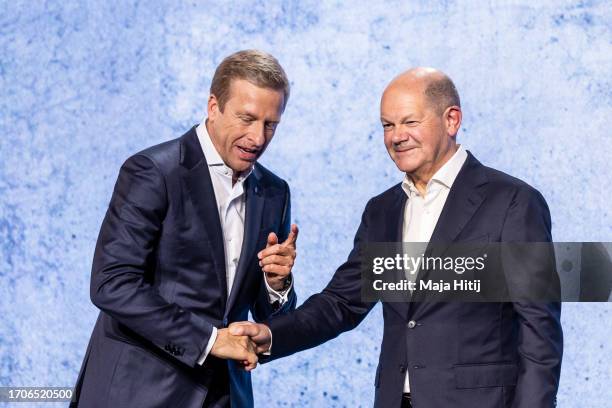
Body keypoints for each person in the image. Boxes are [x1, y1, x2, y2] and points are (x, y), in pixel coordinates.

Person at [231, 68, 563, 407]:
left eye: (410, 122)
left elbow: (539, 329)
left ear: (451, 120)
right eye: (388, 125)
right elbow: (342, 304)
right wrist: (271, 335)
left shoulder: (513, 202)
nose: (396, 136)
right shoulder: (382, 211)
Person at [71, 50, 299, 408]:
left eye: (270, 124)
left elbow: (269, 320)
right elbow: (111, 283)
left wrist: (277, 285)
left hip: (227, 396)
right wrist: (209, 340)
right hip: (140, 392)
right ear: (213, 106)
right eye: (247, 118)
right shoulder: (153, 171)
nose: (258, 137)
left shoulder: (275, 192)